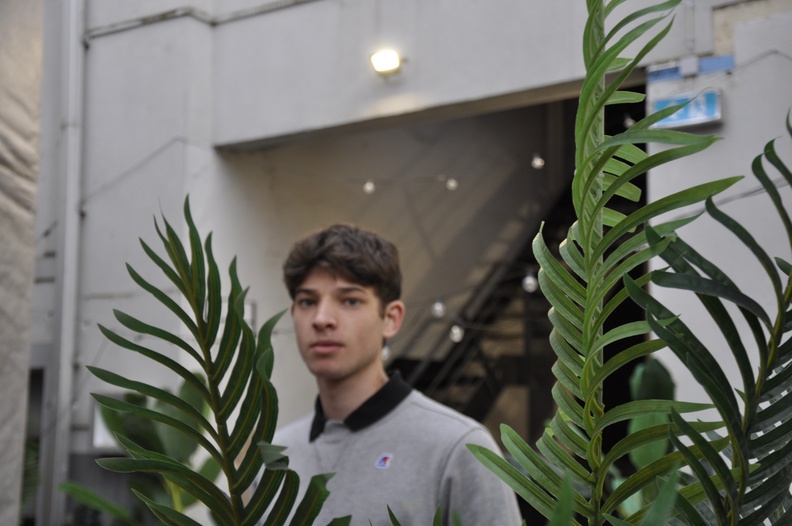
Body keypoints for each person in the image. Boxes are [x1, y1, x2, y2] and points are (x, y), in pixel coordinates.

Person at [275, 224, 522, 526]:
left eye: (350, 300)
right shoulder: (276, 456)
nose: (322, 319)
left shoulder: (458, 447)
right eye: (308, 302)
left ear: (391, 319)